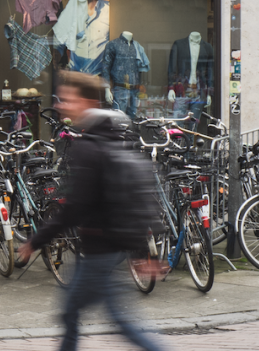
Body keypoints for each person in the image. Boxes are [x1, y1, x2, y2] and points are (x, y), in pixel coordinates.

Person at [18, 72, 167, 351]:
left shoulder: (88, 146)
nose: (62, 106)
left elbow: (74, 208)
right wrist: (140, 252)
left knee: (103, 317)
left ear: (85, 101)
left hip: (100, 249)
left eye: (68, 99)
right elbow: (129, 196)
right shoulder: (111, 136)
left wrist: (35, 241)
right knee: (82, 313)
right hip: (108, 248)